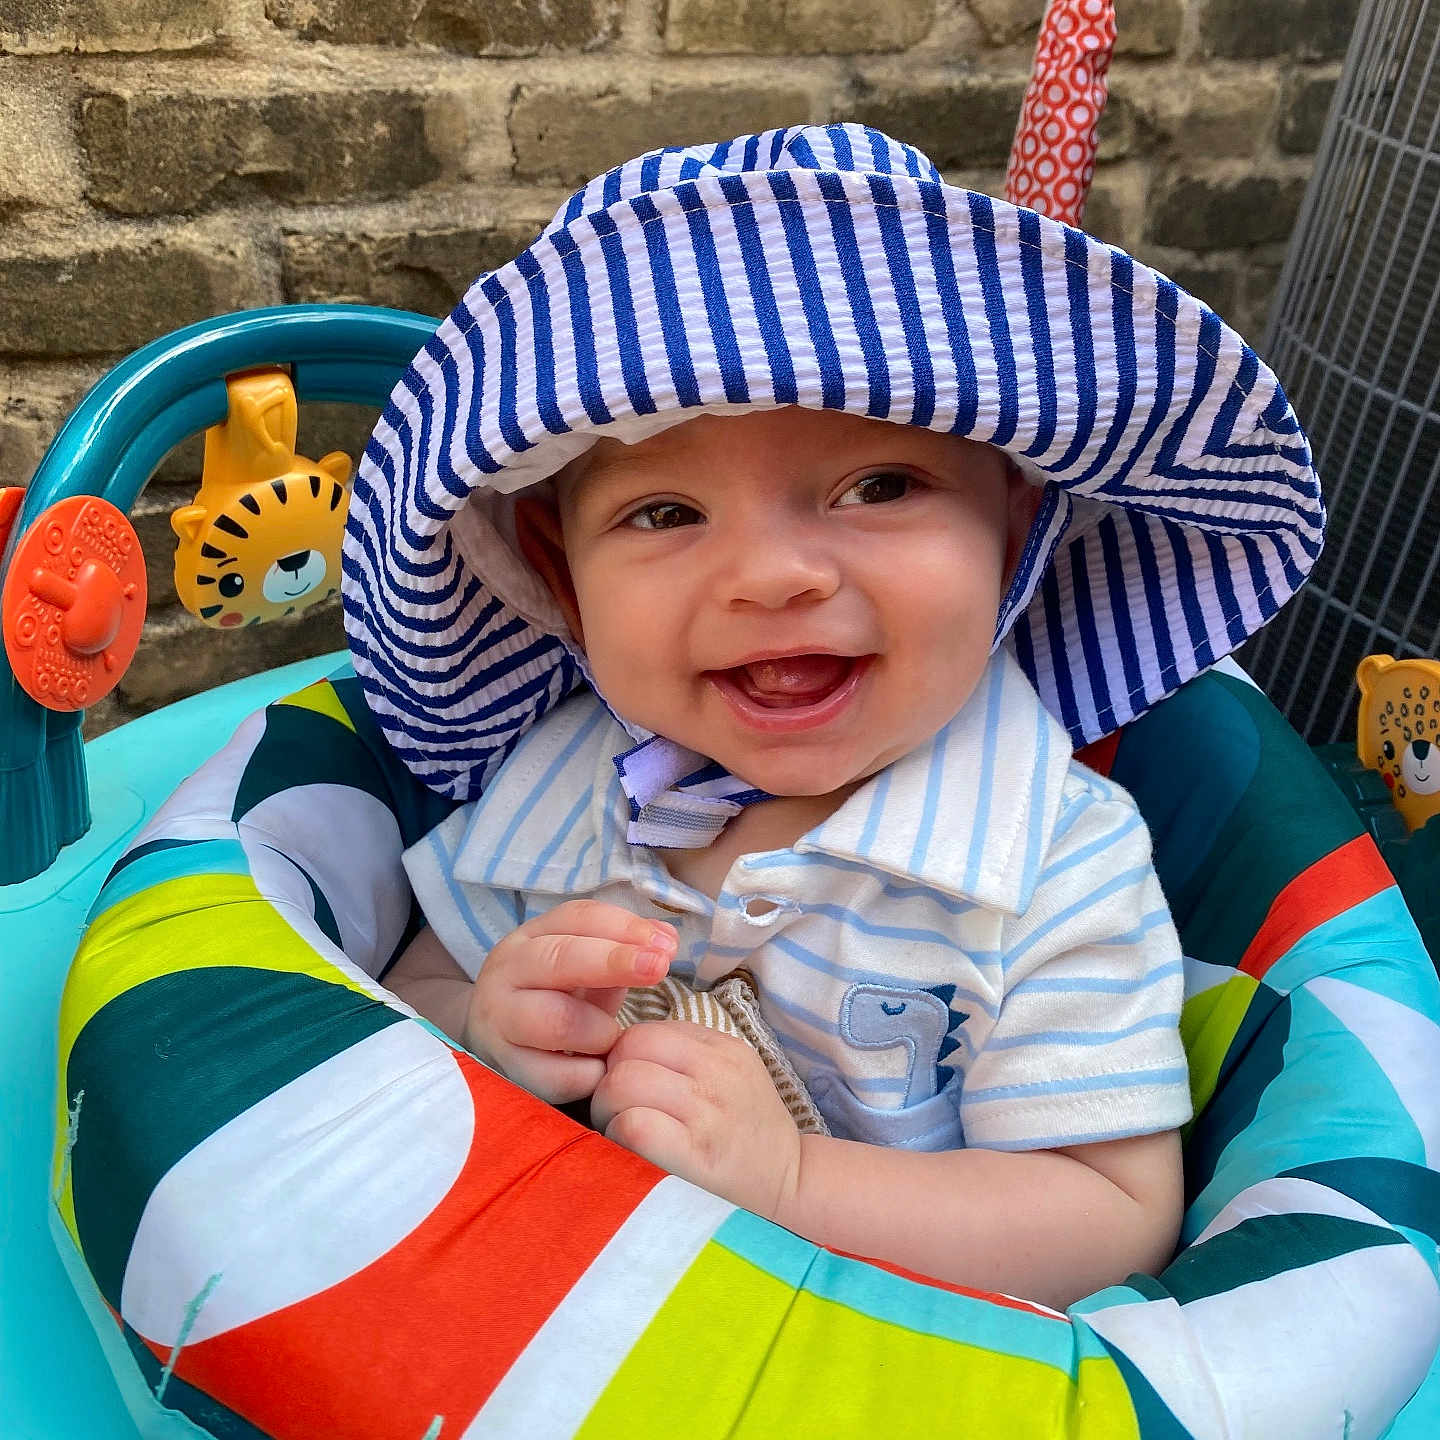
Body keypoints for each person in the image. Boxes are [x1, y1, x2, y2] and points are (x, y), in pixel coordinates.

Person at [346, 124, 1323, 1310]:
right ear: (561, 573)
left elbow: (1111, 1218)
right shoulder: (561, 776)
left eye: (878, 486)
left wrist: (794, 1179)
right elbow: (407, 985)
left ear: (1013, 529)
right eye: (663, 513)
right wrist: (489, 1024)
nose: (772, 577)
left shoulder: (1054, 859)